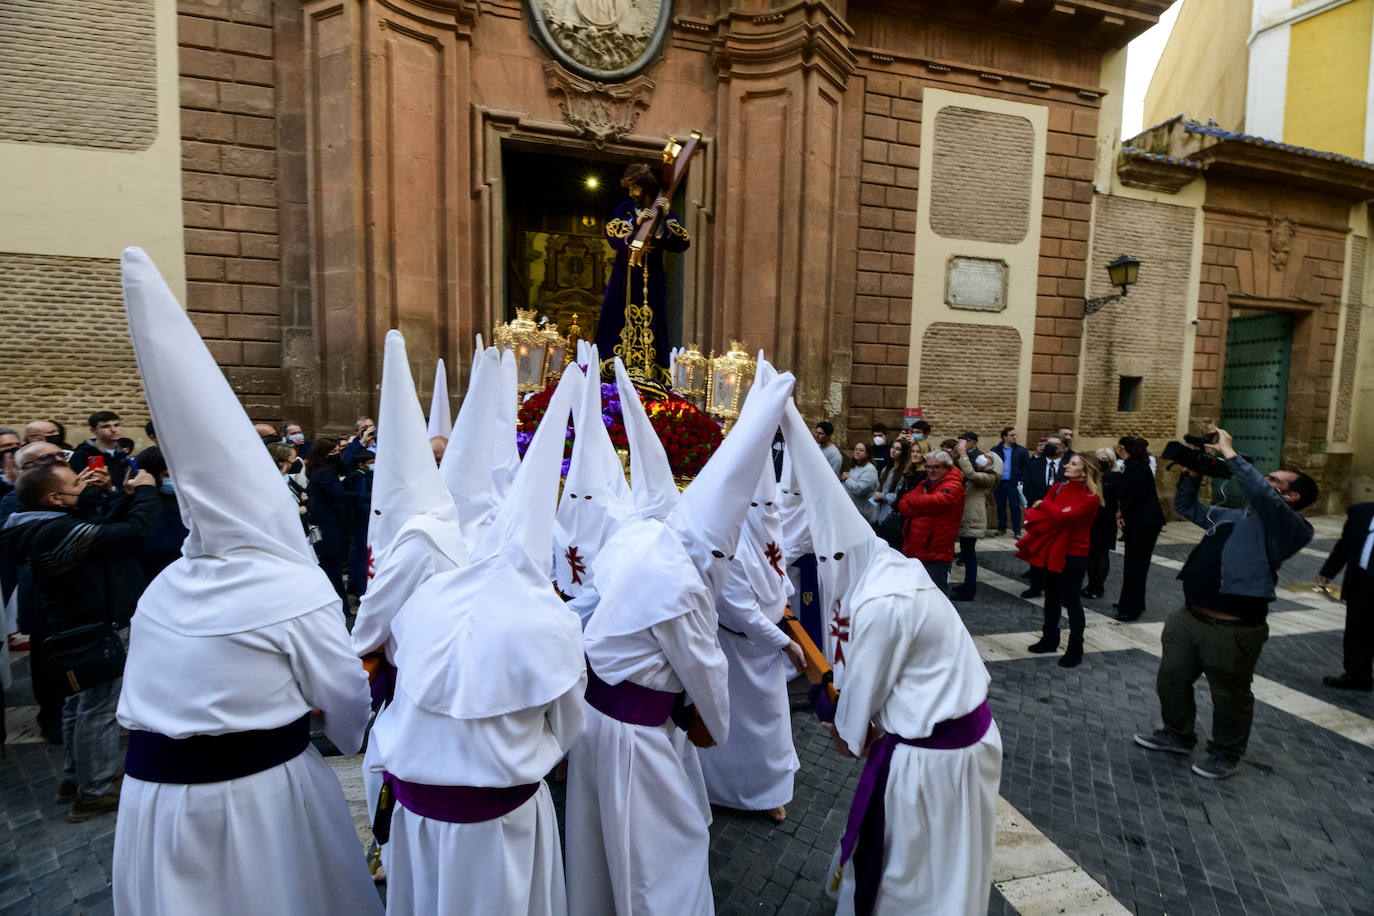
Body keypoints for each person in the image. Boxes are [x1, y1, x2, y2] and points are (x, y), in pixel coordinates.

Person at [109, 247, 380, 915]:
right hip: (258, 797)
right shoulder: (293, 588)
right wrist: (353, 738)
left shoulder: (166, 587)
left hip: (152, 806)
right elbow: (343, 699)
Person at [565, 367, 795, 916]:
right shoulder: (682, 586)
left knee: (598, 840)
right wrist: (712, 726)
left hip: (598, 718)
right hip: (636, 738)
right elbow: (705, 670)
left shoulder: (644, 543)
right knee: (659, 853)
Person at [780, 395, 999, 916]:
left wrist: (840, 720)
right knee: (951, 861)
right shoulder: (889, 563)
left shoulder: (879, 602)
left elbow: (857, 714)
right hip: (963, 737)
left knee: (913, 870)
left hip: (931, 760)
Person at [1134, 426, 1316, 780]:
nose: (1265, 481)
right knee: (1171, 679)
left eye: (1274, 480)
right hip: (1189, 618)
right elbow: (1187, 506)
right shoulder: (1231, 516)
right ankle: (1177, 734)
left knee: (1229, 695)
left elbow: (1262, 496)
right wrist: (1194, 471)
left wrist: (1230, 452)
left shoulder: (1291, 526)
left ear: (1291, 497)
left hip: (1233, 627)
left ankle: (1226, 752)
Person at [4, 459, 158, 821]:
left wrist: (118, 494)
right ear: (56, 498)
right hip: (92, 630)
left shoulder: (42, 523)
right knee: (98, 709)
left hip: (79, 627)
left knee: (79, 705)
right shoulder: (54, 532)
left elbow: (102, 527)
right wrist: (147, 491)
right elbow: (134, 532)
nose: (84, 487)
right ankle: (96, 791)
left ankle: (77, 778)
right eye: (77, 484)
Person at [698, 459, 805, 823]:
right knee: (736, 722)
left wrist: (785, 602)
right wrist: (786, 643)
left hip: (766, 650)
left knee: (771, 722)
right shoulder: (734, 546)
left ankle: (768, 792)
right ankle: (722, 790)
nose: (771, 513)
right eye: (764, 506)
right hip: (738, 651)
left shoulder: (768, 532)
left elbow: (779, 576)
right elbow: (741, 610)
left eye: (774, 505)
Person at [592, 162, 691, 380]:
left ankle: (650, 371)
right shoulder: (625, 208)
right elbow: (611, 232)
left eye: (634, 187)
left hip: (652, 276)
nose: (631, 193)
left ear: (645, 187)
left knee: (652, 317)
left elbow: (683, 241)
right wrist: (636, 221)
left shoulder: (662, 209)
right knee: (618, 316)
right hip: (625, 275)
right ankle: (614, 367)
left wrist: (665, 217)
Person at [1018, 454, 1102, 668]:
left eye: (1073, 464)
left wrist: (1044, 505)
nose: (1067, 465)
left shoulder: (1091, 497)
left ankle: (1076, 647)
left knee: (1072, 601)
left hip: (1075, 554)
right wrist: (1049, 508)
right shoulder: (1058, 488)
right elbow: (1054, 514)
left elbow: (1065, 517)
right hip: (1053, 548)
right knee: (1052, 597)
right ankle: (1049, 639)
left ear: (1084, 472)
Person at [1315, 499, 1374, 690]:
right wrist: (1327, 571)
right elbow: (1345, 545)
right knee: (1357, 630)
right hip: (1362, 580)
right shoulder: (1360, 512)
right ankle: (1358, 676)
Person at [896, 448, 964, 595]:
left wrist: (913, 501)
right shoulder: (927, 483)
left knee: (937, 596)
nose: (931, 470)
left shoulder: (954, 485)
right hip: (915, 550)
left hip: (934, 553)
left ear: (947, 467)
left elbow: (937, 502)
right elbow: (903, 505)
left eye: (936, 467)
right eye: (928, 467)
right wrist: (921, 506)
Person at [304, 438, 362, 606]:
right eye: (332, 452)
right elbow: (339, 494)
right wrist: (365, 496)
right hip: (328, 529)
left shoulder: (321, 471)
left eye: (338, 451)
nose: (337, 455)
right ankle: (341, 608)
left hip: (328, 527)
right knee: (333, 571)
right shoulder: (324, 473)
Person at [1114, 436, 1165, 621]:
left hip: (1143, 523)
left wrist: (1121, 513)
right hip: (1143, 522)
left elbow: (1134, 496)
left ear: (1122, 448)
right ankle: (1130, 602)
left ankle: (1131, 608)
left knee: (1135, 566)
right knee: (1135, 565)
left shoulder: (1135, 467)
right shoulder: (1137, 465)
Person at [951, 434, 1001, 602]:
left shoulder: (989, 477)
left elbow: (971, 474)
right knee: (966, 553)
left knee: (969, 555)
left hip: (974, 519)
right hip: (968, 517)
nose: (982, 458)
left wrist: (964, 454)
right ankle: (967, 585)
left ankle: (970, 588)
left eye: (986, 458)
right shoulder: (983, 475)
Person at [1018, 435, 1068, 598]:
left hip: (1059, 516)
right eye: (1049, 444)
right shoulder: (1035, 465)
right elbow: (1027, 487)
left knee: (1056, 552)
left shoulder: (1067, 468)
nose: (1050, 447)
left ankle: (1053, 584)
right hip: (1039, 515)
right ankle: (1036, 585)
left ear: (1064, 449)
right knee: (1036, 551)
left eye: (1055, 445)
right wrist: (1035, 506)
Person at [1083, 448, 1121, 599]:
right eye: (1098, 458)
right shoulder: (1092, 475)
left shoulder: (1116, 477)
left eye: (1104, 459)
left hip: (1106, 518)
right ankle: (1091, 584)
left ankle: (1099, 586)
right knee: (1090, 552)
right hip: (1092, 517)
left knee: (1102, 552)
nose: (1101, 461)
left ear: (1111, 461)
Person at [872, 436, 917, 549]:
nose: (893, 450)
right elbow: (877, 491)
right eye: (892, 447)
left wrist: (882, 496)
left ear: (903, 452)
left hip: (892, 518)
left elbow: (899, 497)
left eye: (898, 449)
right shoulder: (885, 470)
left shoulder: (905, 473)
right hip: (879, 517)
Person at [69, 411, 132, 488]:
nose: (113, 430)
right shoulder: (82, 454)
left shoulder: (122, 455)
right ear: (93, 430)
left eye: (116, 425)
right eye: (105, 426)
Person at [345, 448, 374, 599]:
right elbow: (362, 500)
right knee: (362, 553)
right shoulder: (361, 478)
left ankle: (354, 583)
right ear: (361, 465)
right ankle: (360, 587)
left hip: (358, 520)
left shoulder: (359, 476)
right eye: (371, 463)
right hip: (363, 520)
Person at [993, 426, 1029, 537]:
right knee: (1000, 506)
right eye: (1011, 435)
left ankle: (1017, 530)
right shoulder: (995, 450)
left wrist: (1022, 480)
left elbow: (1027, 467)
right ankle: (1001, 528)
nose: (1014, 437)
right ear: (1004, 437)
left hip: (1014, 483)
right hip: (1000, 482)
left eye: (1015, 435)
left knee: (1015, 507)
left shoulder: (1021, 451)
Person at [842, 440, 880, 523]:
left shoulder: (870, 470)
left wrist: (847, 479)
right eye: (856, 450)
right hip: (852, 511)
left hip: (863, 514)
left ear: (867, 454)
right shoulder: (854, 466)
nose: (857, 452)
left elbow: (860, 489)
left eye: (861, 450)